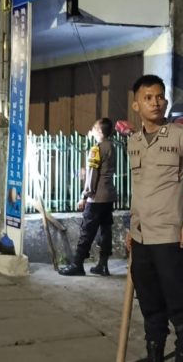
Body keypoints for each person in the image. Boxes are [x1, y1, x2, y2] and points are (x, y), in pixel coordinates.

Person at [126, 75, 183, 362]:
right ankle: (155, 355)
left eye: (160, 96)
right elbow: (139, 189)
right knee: (150, 306)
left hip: (169, 238)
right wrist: (131, 227)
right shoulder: (133, 142)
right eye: (148, 98)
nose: (156, 102)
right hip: (141, 238)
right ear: (136, 105)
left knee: (181, 306)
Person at [59, 118, 118, 276]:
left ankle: (77, 264)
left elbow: (92, 175)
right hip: (109, 196)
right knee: (106, 230)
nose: (91, 130)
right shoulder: (112, 147)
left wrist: (84, 196)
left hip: (96, 197)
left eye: (94, 127)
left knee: (87, 231)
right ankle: (103, 265)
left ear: (99, 131)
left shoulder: (96, 149)